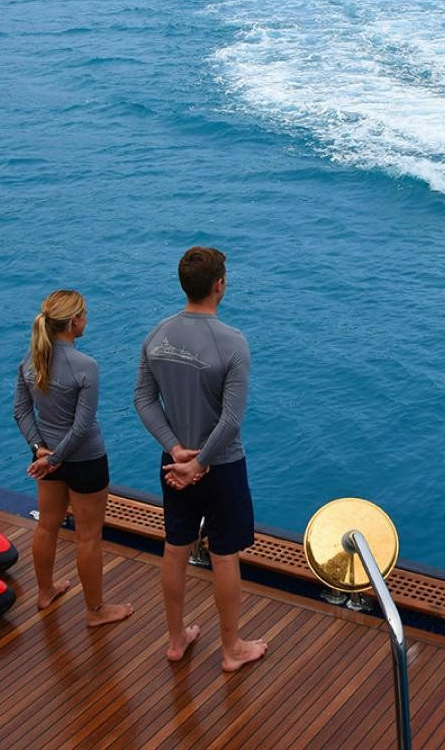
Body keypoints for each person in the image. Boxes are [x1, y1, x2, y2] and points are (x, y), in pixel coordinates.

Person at [134, 246, 268, 672]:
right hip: (221, 464)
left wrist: (176, 449)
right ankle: (231, 649)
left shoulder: (157, 336)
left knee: (175, 548)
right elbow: (231, 420)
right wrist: (200, 461)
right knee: (224, 555)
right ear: (219, 286)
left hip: (173, 465)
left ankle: (176, 640)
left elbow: (143, 400)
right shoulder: (233, 342)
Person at [13, 289, 133, 628]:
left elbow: (21, 411)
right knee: (89, 536)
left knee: (47, 524)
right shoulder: (85, 366)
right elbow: (81, 427)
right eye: (83, 315)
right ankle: (96, 611)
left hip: (47, 455)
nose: (86, 320)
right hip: (84, 460)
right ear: (72, 322)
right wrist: (54, 459)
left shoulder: (31, 360)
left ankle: (45, 591)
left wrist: (40, 449)